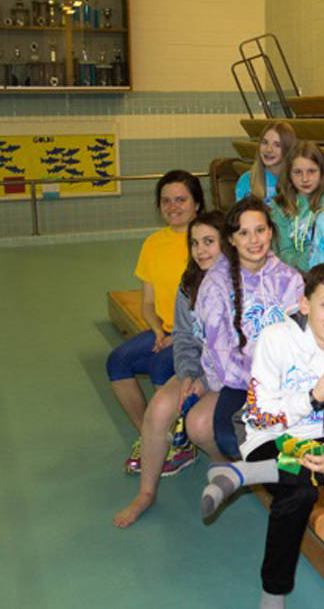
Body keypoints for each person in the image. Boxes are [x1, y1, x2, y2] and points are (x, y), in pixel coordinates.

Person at [200, 263, 324, 609]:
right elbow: (259, 415)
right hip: (272, 437)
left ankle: (242, 474)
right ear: (305, 304)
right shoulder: (275, 339)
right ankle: (273, 594)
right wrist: (313, 398)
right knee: (298, 494)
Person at [113, 210, 225, 528]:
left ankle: (228, 468)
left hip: (229, 373)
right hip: (198, 367)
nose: (201, 250)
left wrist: (201, 381)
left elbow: (232, 351)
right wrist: (188, 374)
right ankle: (146, 493)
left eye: (209, 242)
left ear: (226, 244)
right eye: (195, 243)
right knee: (159, 407)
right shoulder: (190, 282)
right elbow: (184, 337)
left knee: (197, 423)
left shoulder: (237, 283)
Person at [186, 197, 304, 461]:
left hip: (285, 380)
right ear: (231, 239)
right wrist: (259, 386)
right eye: (243, 233)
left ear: (271, 232)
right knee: (232, 440)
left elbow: (300, 340)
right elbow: (220, 354)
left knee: (293, 432)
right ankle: (247, 474)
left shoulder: (290, 279)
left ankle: (285, 482)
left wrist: (283, 383)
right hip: (239, 382)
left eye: (260, 230)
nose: (254, 240)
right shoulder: (215, 284)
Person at [107, 169, 204, 473]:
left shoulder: (205, 241)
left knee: (162, 366)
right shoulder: (152, 243)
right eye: (166, 201)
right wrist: (157, 329)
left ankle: (180, 442)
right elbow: (147, 302)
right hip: (163, 330)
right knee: (117, 361)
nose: (173, 207)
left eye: (181, 200)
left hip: (196, 334)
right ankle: (151, 436)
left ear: (197, 204)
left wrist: (177, 336)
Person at [268, 140, 324, 272]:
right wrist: (300, 268)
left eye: (311, 171)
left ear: (322, 172)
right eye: (297, 172)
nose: (305, 179)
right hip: (290, 275)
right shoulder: (279, 206)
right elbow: (283, 251)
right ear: (289, 174)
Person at [236, 120, 297, 201]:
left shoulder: (298, 180)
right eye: (265, 142)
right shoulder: (246, 180)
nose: (269, 149)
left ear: (288, 149)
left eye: (277, 145)